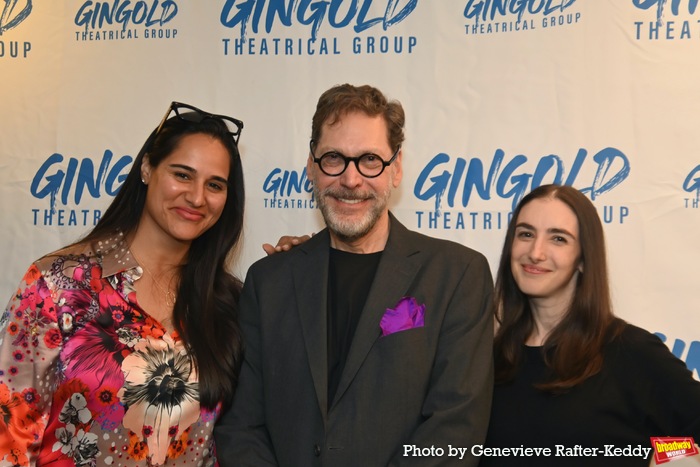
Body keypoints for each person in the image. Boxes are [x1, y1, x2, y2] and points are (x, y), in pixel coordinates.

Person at [214, 84, 494, 467]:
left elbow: (454, 431)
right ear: (312, 167)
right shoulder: (269, 281)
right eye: (334, 158)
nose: (350, 179)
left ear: (395, 169)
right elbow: (242, 426)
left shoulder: (457, 276)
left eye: (369, 160)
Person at [0, 101, 246, 466]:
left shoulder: (227, 302)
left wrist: (297, 268)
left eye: (214, 184)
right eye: (182, 174)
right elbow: (9, 438)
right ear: (147, 168)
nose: (196, 197)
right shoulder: (58, 284)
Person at [481, 184, 700, 467]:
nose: (536, 252)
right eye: (526, 234)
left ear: (583, 259)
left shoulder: (630, 351)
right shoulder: (488, 357)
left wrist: (644, 454)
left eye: (558, 239)